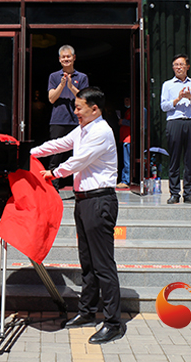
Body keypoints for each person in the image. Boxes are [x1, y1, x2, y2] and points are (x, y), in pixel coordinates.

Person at [31, 86, 124, 345]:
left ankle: (113, 323)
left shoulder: (102, 131)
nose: (75, 112)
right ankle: (87, 312)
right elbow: (59, 144)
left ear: (95, 109)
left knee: (103, 265)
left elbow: (78, 161)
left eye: (79, 107)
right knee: (88, 262)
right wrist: (28, 152)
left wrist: (53, 173)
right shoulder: (83, 129)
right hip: (83, 202)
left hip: (99, 201)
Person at [160, 54, 191, 204]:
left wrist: (190, 98)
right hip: (174, 122)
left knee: (189, 159)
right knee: (174, 158)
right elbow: (164, 106)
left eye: (181, 64)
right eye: (176, 65)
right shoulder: (168, 85)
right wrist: (178, 99)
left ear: (187, 67)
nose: (178, 67)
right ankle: (174, 193)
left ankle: (188, 193)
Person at [47, 45, 89, 189]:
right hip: (58, 120)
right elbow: (51, 99)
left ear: (74, 58)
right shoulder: (54, 76)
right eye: (63, 57)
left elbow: (84, 99)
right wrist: (62, 85)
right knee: (56, 154)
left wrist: (71, 86)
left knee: (78, 154)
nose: (66, 59)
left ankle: (79, 186)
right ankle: (53, 186)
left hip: (77, 121)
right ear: (59, 59)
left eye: (68, 56)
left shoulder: (82, 77)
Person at [116, 96, 132, 188]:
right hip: (124, 138)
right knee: (125, 161)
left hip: (128, 139)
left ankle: (126, 180)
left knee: (127, 161)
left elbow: (134, 123)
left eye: (127, 100)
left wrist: (123, 121)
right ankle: (124, 179)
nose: (126, 102)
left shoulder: (132, 111)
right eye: (125, 100)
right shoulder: (127, 111)